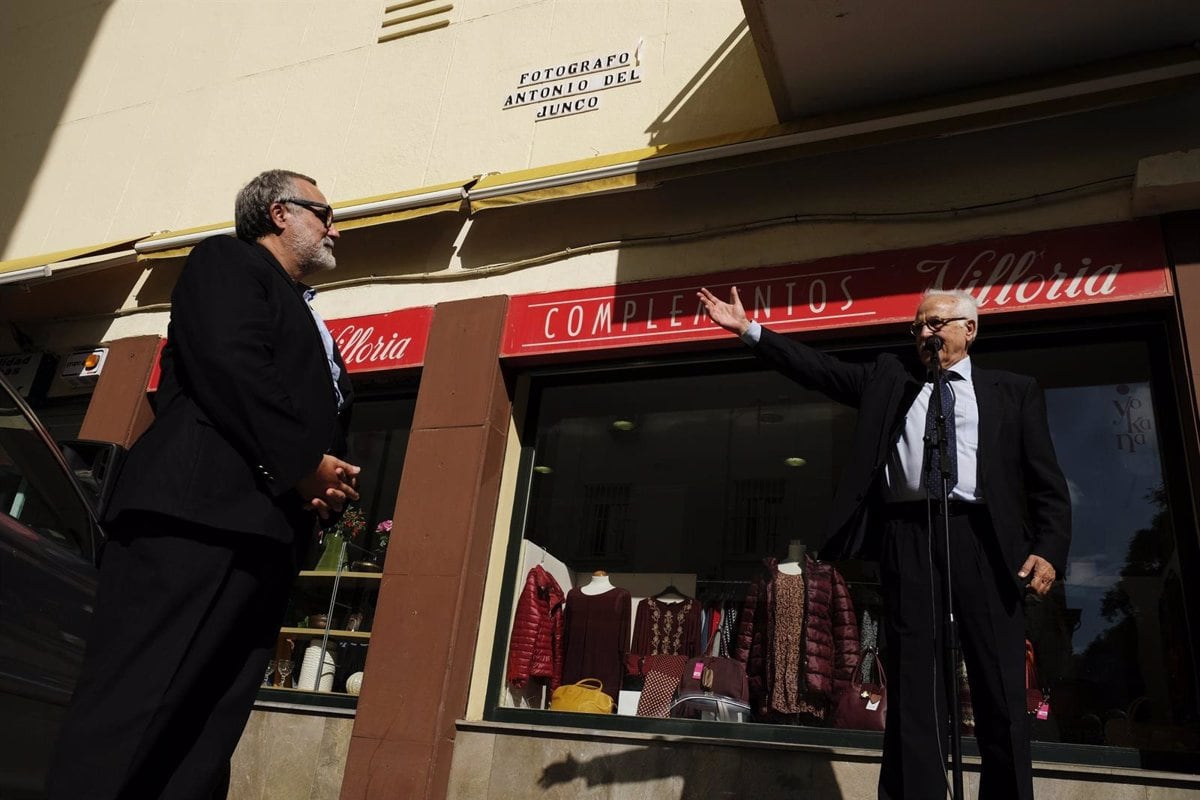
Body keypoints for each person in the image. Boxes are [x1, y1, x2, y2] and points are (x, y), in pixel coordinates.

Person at [49, 170, 362, 800]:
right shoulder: (227, 260)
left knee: (207, 726)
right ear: (278, 212)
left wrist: (322, 486)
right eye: (324, 212)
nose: (335, 227)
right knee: (137, 704)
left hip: (268, 533)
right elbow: (232, 363)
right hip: (193, 519)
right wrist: (305, 464)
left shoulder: (307, 311)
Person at [698, 286, 1070, 800]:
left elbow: (1045, 480)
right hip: (908, 535)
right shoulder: (890, 380)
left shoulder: (1013, 390)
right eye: (917, 327)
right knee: (916, 681)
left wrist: (1049, 547)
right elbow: (820, 369)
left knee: (1000, 684)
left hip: (983, 538)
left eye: (935, 324)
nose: (924, 334)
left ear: (970, 328)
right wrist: (750, 331)